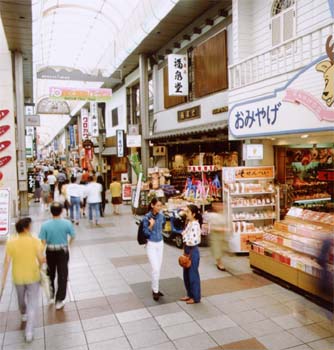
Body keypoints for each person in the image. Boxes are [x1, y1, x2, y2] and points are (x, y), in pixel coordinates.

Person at [0, 217, 45, 343]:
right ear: (26, 228)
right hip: (33, 275)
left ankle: (23, 314)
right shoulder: (35, 241)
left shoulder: (11, 242)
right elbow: (41, 259)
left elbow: (6, 262)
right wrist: (41, 266)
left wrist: (2, 281)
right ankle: (29, 332)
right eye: (30, 226)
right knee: (33, 304)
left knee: (21, 301)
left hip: (18, 277)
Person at [39, 202, 75, 310]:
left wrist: (41, 255)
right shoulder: (67, 223)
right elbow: (73, 236)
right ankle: (59, 300)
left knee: (50, 273)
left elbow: (43, 242)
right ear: (62, 211)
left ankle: (51, 296)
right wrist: (68, 244)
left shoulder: (45, 225)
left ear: (51, 211)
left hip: (50, 251)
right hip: (62, 251)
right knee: (63, 274)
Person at [143, 198, 166, 301]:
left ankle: (155, 288)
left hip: (160, 243)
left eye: (160, 205)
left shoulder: (162, 216)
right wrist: (151, 225)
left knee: (158, 269)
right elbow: (145, 233)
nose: (159, 207)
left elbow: (163, 226)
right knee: (155, 268)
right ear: (152, 205)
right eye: (157, 205)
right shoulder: (146, 217)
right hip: (151, 244)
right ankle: (155, 291)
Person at [180, 204, 202, 304]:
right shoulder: (189, 223)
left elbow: (192, 240)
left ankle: (196, 297)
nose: (186, 213)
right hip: (187, 250)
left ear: (193, 214)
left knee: (193, 275)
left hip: (193, 250)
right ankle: (189, 294)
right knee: (186, 274)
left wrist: (184, 236)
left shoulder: (195, 225)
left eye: (188, 212)